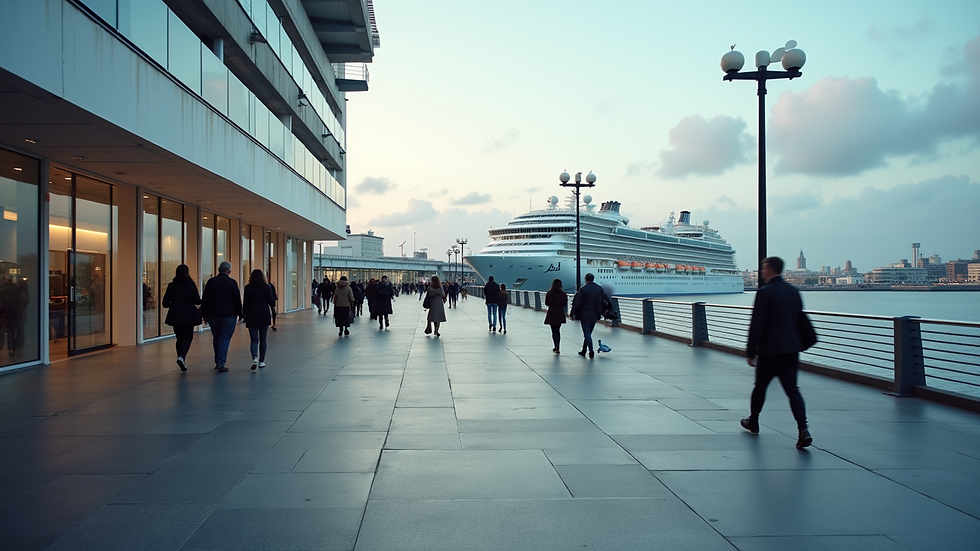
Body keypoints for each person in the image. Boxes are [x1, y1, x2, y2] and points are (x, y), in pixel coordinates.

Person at [742, 256, 813, 448]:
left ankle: (754, 421)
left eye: (764, 268)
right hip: (791, 348)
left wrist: (750, 351)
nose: (762, 272)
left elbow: (757, 324)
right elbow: (799, 318)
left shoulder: (765, 292)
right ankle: (803, 429)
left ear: (770, 269)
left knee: (760, 387)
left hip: (770, 350)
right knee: (792, 390)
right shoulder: (793, 291)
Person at [200, 261, 242, 372]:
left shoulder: (211, 282)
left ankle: (218, 360)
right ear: (229, 271)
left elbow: (205, 299)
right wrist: (241, 314)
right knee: (225, 338)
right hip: (229, 315)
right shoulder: (232, 283)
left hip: (213, 315)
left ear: (219, 269)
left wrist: (204, 315)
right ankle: (221, 363)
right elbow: (237, 300)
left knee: (217, 338)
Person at [161, 264, 202, 371]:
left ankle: (180, 357)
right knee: (188, 337)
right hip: (188, 315)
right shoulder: (190, 285)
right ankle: (182, 356)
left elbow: (165, 303)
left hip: (175, 315)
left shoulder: (171, 286)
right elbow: (197, 300)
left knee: (179, 338)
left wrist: (175, 304)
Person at [243, 269, 275, 370]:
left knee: (254, 340)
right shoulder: (266, 287)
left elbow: (246, 303)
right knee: (263, 339)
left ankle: (254, 358)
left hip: (252, 314)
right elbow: (272, 302)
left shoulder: (248, 288)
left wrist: (244, 315)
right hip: (263, 313)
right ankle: (262, 361)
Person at [570, 273, 602, 358]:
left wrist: (574, 313)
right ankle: (584, 350)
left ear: (586, 279)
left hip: (585, 314)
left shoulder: (583, 289)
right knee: (589, 333)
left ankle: (591, 351)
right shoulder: (598, 288)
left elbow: (578, 303)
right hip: (595, 314)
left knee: (587, 333)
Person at [544, 278, 567, 354]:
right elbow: (564, 303)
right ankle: (558, 346)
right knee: (558, 330)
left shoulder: (549, 293)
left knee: (554, 331)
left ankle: (555, 346)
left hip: (552, 312)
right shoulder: (563, 294)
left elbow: (547, 303)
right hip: (560, 312)